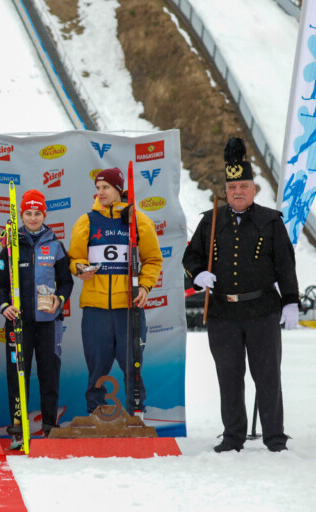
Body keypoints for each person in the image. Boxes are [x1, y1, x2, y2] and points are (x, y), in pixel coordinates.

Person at [182, 137, 299, 453]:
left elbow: (285, 264)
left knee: (268, 376)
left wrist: (290, 301)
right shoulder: (210, 220)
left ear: (254, 189)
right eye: (232, 187)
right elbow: (191, 257)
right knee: (229, 377)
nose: (237, 192)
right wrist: (198, 274)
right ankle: (233, 436)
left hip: (262, 311)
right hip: (223, 314)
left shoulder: (270, 221)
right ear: (225, 189)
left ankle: (274, 437)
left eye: (243, 186)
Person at [68, 167, 162, 415]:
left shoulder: (138, 220)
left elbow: (153, 260)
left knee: (132, 365)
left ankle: (136, 414)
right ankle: (96, 414)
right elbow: (75, 257)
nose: (100, 192)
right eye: (98, 188)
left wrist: (145, 286)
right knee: (97, 367)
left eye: (106, 187)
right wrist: (79, 268)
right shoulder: (87, 220)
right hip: (95, 308)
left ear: (119, 189)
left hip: (128, 307)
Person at [0, 190, 74, 448]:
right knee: (18, 376)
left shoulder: (55, 245)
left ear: (44, 215)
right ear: (21, 215)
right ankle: (18, 430)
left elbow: (66, 282)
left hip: (49, 322)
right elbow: (0, 285)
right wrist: (4, 306)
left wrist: (59, 299)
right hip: (19, 323)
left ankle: (49, 428)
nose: (32, 218)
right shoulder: (10, 246)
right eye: (28, 213)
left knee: (49, 374)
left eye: (37, 213)